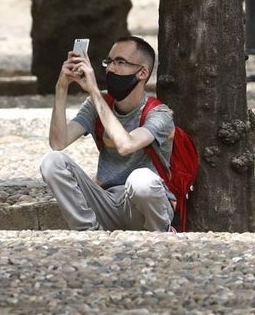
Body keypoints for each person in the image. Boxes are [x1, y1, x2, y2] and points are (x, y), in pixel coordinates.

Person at [39, 35, 176, 232]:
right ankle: (89, 232)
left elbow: (126, 145)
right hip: (107, 201)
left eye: (120, 62)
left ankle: (159, 236)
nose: (111, 68)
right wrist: (61, 87)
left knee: (141, 181)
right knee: (52, 161)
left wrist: (94, 91)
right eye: (109, 61)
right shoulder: (98, 105)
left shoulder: (160, 114)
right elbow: (58, 142)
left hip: (142, 208)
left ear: (142, 72)